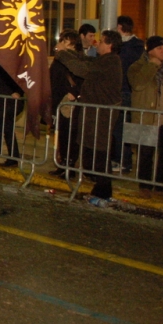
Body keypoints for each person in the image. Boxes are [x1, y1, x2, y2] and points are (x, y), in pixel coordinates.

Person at [56, 30, 123, 200]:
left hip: (101, 113)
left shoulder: (110, 62)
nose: (97, 44)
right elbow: (85, 59)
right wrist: (69, 52)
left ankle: (103, 187)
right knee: (91, 148)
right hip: (94, 112)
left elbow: (82, 69)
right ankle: (100, 187)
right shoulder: (104, 61)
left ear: (109, 45)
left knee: (99, 150)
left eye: (101, 42)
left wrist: (63, 55)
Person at [128, 35, 163, 199]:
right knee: (145, 153)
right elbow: (138, 83)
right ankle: (145, 185)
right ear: (150, 50)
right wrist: (151, 67)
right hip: (148, 117)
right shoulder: (138, 66)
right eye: (159, 48)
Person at [112, 15, 145, 172]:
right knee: (123, 127)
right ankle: (121, 159)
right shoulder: (138, 47)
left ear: (119, 28)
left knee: (120, 128)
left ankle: (123, 161)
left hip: (123, 91)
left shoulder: (125, 49)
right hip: (129, 91)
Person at [49, 30, 84, 177]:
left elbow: (82, 78)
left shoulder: (77, 59)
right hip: (58, 100)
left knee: (70, 134)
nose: (61, 44)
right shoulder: (59, 59)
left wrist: (74, 93)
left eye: (64, 41)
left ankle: (69, 166)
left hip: (69, 101)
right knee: (61, 134)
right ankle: (62, 164)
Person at [0, 63, 24, 167]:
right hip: (1, 102)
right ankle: (13, 157)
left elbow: (22, 83)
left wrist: (18, 92)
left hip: (13, 103)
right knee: (8, 130)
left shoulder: (15, 67)